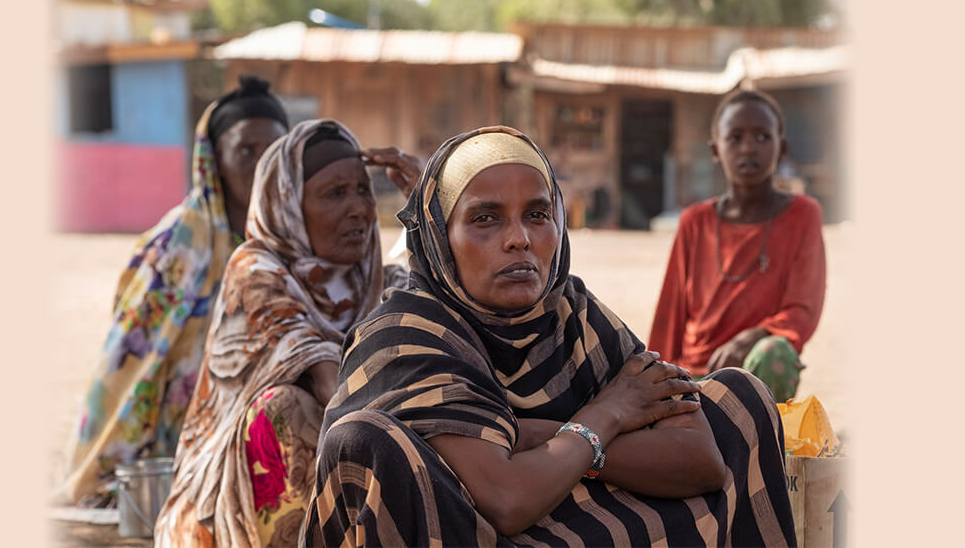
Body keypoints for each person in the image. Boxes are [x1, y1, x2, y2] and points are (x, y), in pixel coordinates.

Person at [302, 126, 795, 547]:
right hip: (467, 534)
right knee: (360, 440)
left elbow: (702, 459)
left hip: (571, 523)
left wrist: (537, 435)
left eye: (537, 214)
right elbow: (509, 500)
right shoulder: (403, 338)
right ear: (439, 238)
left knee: (736, 399)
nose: (519, 238)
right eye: (485, 218)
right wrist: (604, 416)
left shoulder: (573, 312)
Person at [153, 118, 421, 548]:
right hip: (224, 506)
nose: (359, 209)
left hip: (351, 478)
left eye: (362, 190)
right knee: (284, 409)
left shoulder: (381, 283)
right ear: (288, 205)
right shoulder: (255, 273)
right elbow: (329, 381)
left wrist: (429, 207)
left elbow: (456, 319)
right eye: (335, 194)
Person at [648, 89, 826, 402]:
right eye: (735, 137)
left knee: (777, 351)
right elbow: (670, 313)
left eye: (761, 137)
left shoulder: (803, 215)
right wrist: (657, 376)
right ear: (715, 150)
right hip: (696, 375)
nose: (748, 148)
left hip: (757, 372)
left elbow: (803, 309)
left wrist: (755, 336)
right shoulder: (694, 222)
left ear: (781, 148)